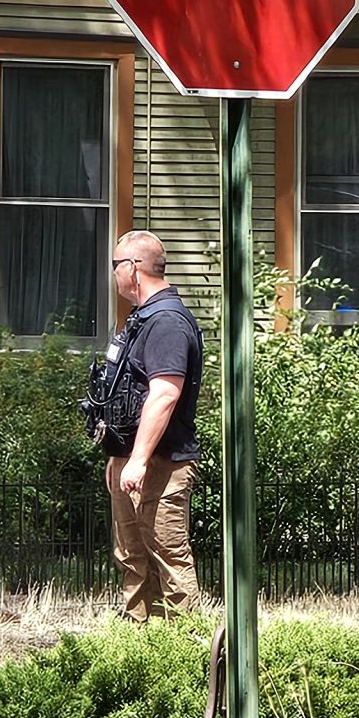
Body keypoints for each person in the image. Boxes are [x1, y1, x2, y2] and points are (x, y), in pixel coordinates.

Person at [90, 230, 204, 621]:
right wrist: (122, 456)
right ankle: (140, 645)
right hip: (131, 459)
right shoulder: (143, 319)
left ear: (133, 268)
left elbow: (164, 394)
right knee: (132, 557)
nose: (114, 273)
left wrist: (138, 459)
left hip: (161, 463)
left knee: (169, 556)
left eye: (115, 264)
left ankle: (187, 652)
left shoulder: (167, 322)